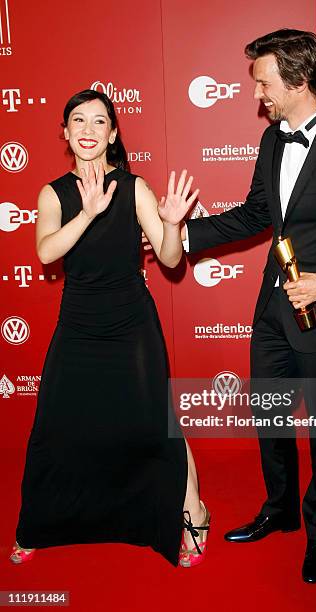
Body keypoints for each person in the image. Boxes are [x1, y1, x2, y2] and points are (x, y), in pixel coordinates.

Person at [182, 29, 316, 582]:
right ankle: (280, 509)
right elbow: (257, 213)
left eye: (263, 84)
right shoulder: (271, 141)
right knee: (269, 419)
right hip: (272, 313)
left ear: (299, 80)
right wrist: (183, 235)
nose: (258, 96)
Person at [10, 89, 210, 568]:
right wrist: (89, 212)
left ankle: (193, 511)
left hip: (131, 324)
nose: (87, 129)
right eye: (77, 120)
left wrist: (171, 225)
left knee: (154, 420)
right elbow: (46, 252)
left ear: (113, 134)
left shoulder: (134, 187)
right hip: (78, 324)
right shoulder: (52, 193)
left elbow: (169, 259)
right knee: (56, 425)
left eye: (99, 122)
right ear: (64, 131)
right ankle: (40, 522)